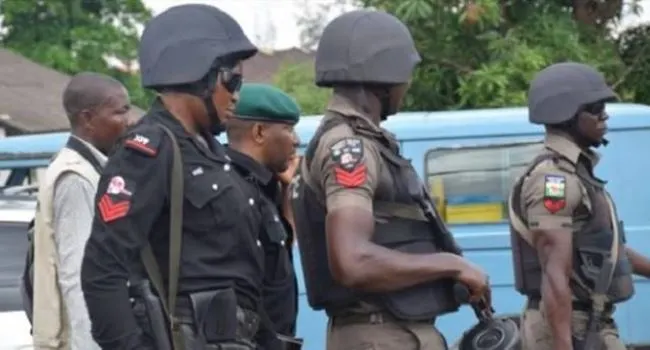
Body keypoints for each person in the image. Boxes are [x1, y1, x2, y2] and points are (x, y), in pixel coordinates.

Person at [290, 9, 491, 350]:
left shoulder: (369, 142)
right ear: (383, 74)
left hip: (396, 331)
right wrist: (450, 265)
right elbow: (351, 261)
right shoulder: (348, 147)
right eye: (405, 73)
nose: (407, 84)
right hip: (379, 334)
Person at [80, 4, 263, 349]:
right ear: (197, 75)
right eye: (232, 80)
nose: (238, 93)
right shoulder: (150, 149)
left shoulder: (213, 154)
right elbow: (103, 270)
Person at [509, 61, 650, 350]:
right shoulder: (554, 180)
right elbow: (554, 272)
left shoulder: (576, 174)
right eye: (596, 109)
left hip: (589, 325)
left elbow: (606, 252)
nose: (604, 117)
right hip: (570, 328)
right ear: (568, 115)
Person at [31, 72, 132, 350]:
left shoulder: (89, 169)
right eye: (119, 112)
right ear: (88, 119)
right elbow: (79, 277)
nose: (128, 121)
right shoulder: (75, 178)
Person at [225, 83, 302, 348]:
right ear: (259, 132)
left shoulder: (260, 186)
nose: (296, 140)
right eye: (289, 129)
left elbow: (276, 258)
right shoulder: (232, 190)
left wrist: (286, 190)